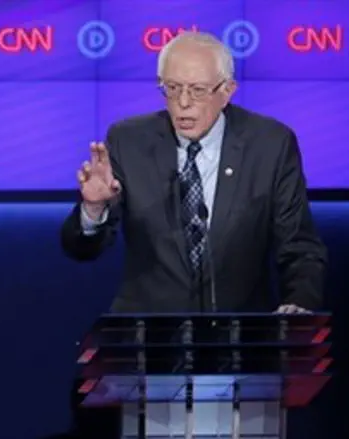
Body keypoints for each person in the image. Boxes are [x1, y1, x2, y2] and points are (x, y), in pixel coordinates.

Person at [60, 32, 327, 436]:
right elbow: (83, 247)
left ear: (227, 91)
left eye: (198, 91)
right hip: (145, 350)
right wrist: (94, 208)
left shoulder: (270, 144)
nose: (183, 104)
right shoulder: (127, 140)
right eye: (172, 89)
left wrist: (297, 306)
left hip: (241, 350)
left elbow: (300, 246)